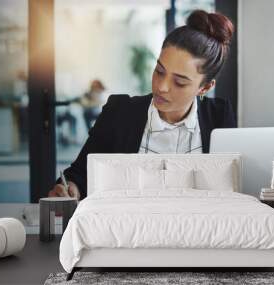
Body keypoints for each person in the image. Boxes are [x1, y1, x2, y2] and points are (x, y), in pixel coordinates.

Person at [48, 10, 236, 200]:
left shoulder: (219, 117)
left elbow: (232, 188)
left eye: (179, 82)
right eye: (159, 71)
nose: (162, 87)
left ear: (204, 87)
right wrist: (71, 188)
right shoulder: (119, 112)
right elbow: (79, 175)